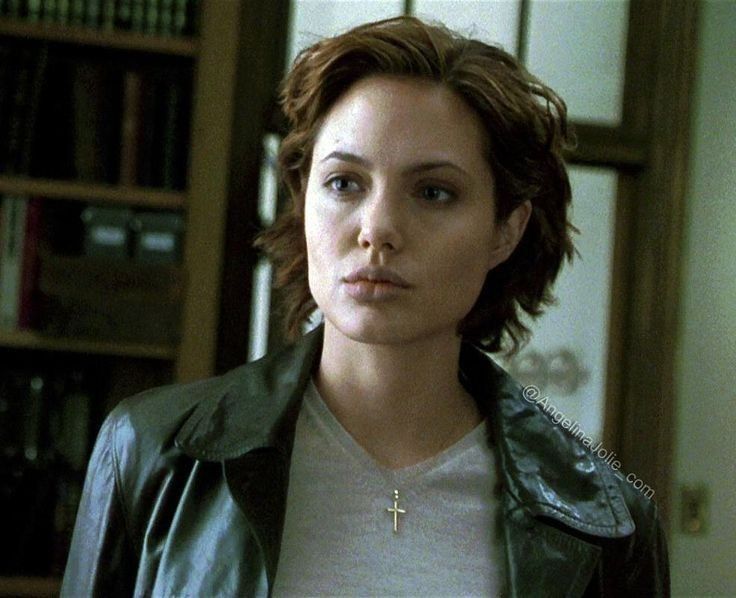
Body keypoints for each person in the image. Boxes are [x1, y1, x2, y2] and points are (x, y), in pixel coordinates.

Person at [61, 16, 669, 597]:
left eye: (434, 192)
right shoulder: (150, 452)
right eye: (344, 183)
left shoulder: (606, 519)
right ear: (303, 203)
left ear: (505, 231)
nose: (376, 230)